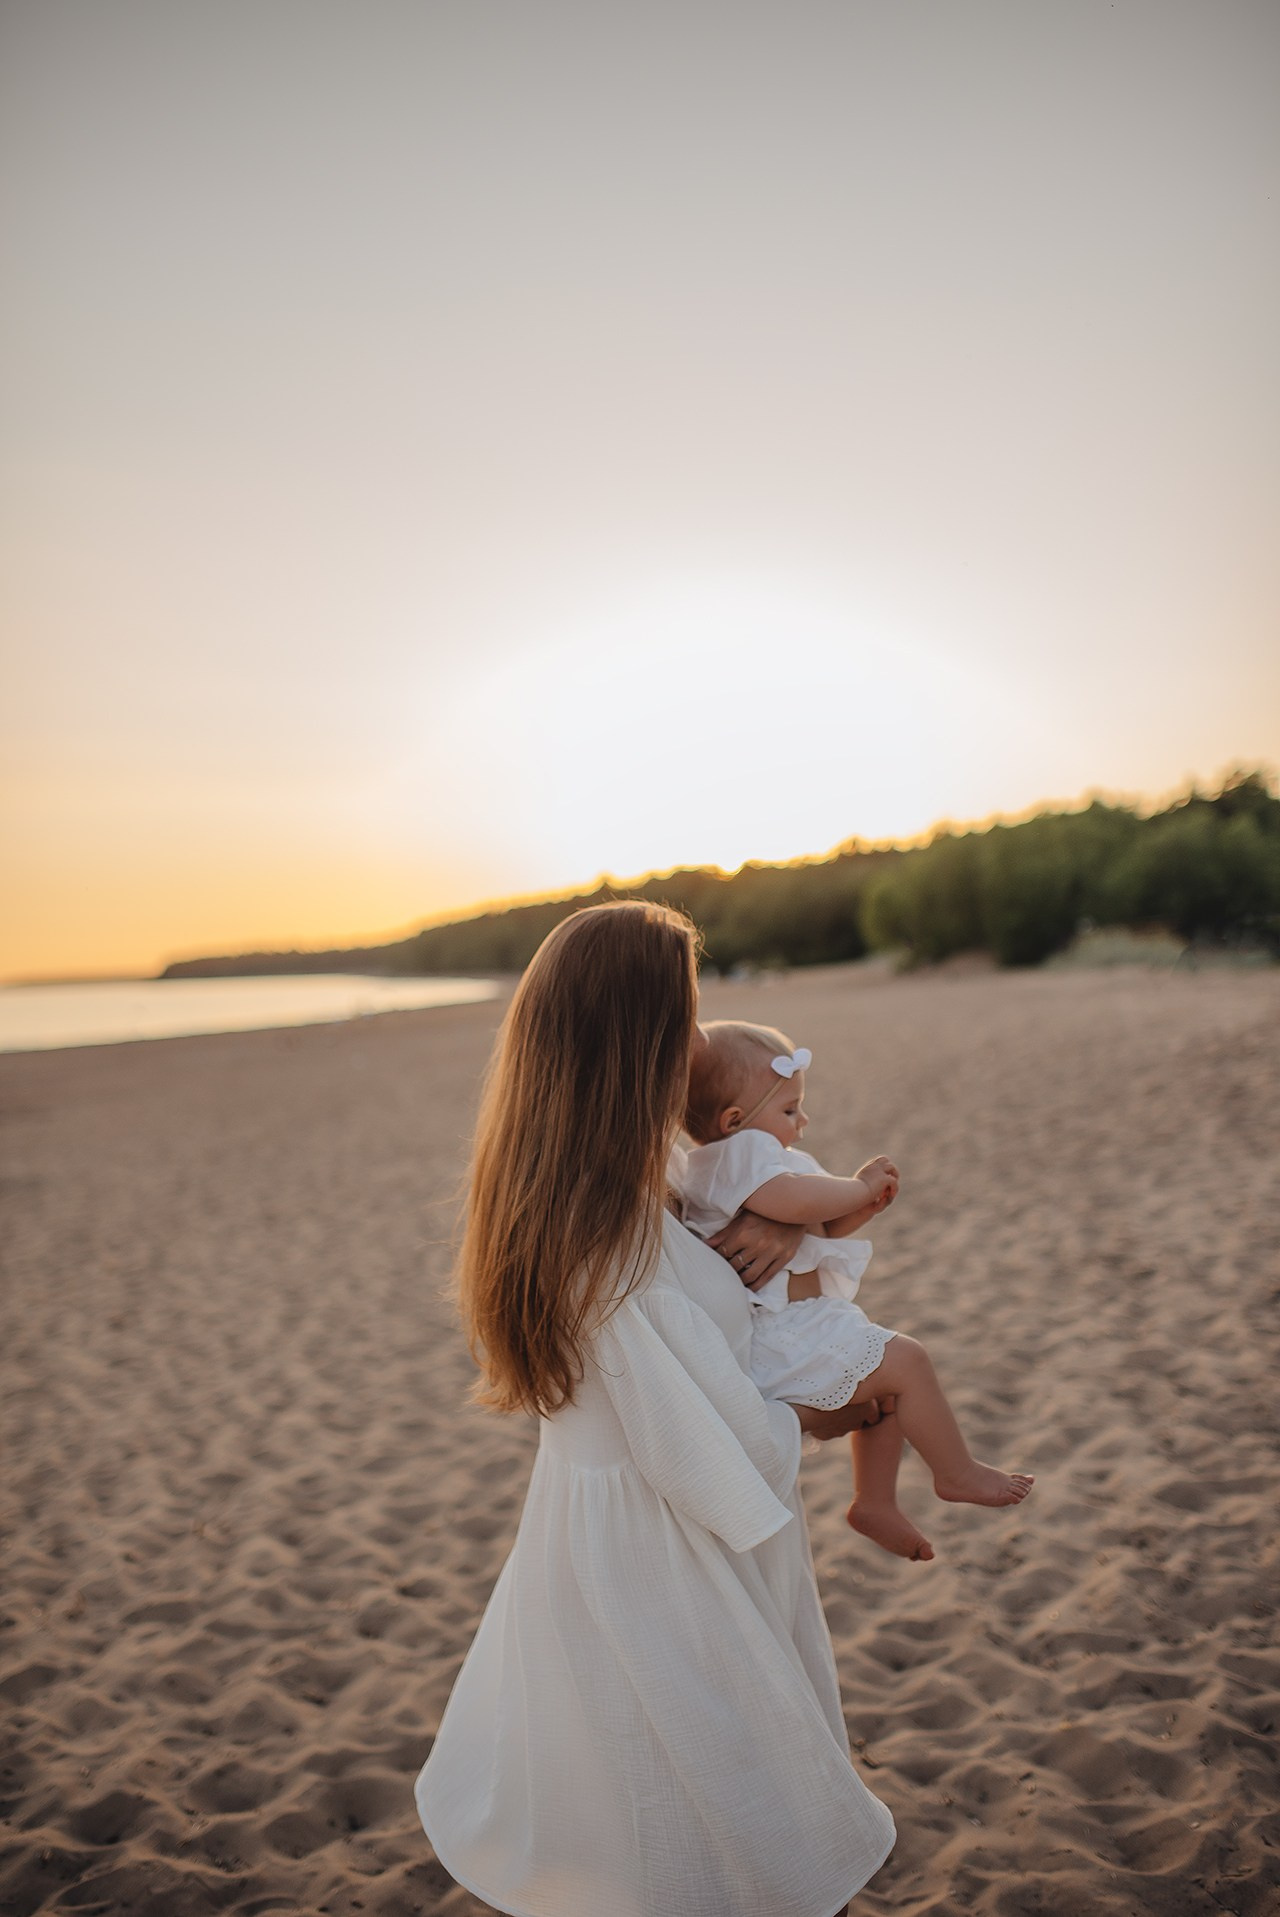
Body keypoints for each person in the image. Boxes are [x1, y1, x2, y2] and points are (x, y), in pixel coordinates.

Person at [415, 903, 896, 1917]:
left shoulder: (602, 1197)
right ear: (634, 1043)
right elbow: (704, 1451)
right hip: (663, 1549)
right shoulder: (619, 1247)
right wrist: (809, 1414)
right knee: (700, 1793)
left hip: (605, 1528)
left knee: (634, 1779)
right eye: (682, 1017)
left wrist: (772, 1223)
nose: (700, 1039)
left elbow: (719, 1259)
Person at [682, 1020, 1033, 1564]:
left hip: (805, 1324)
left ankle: (874, 1502)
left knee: (889, 1395)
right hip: (779, 1332)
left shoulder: (767, 1160)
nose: (803, 1122)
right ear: (734, 1120)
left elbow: (817, 1227)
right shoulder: (736, 1155)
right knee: (907, 1361)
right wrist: (857, 1186)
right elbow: (793, 1204)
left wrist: (860, 1207)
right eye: (790, 1110)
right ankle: (955, 1472)